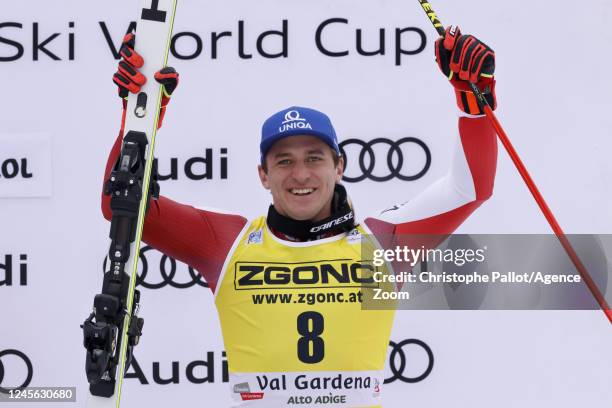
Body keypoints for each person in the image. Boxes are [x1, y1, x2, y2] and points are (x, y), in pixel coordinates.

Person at [104, 26, 498, 408]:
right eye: (284, 161)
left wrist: (474, 102)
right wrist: (139, 118)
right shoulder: (227, 243)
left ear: (339, 166)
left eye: (314, 158)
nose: (301, 174)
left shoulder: (382, 244)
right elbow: (119, 205)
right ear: (263, 174)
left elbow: (469, 189)